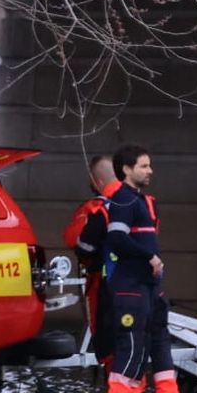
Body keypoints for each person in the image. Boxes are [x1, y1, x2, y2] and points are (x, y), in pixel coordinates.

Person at [102, 145, 180, 393]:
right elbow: (116, 239)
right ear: (126, 169)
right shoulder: (123, 200)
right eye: (144, 166)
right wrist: (149, 256)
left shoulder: (141, 200)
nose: (150, 171)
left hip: (150, 286)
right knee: (132, 342)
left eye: (150, 165)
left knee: (158, 338)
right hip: (130, 286)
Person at [62, 154, 119, 371]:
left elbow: (76, 241)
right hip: (140, 283)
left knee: (106, 340)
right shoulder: (143, 204)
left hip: (104, 283)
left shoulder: (95, 209)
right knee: (134, 341)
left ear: (97, 182)